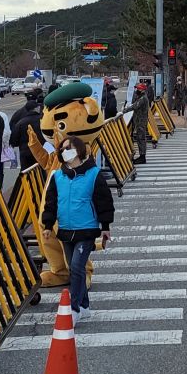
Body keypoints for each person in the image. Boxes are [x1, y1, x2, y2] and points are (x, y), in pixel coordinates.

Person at [40, 135, 114, 322]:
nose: (65, 152)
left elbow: (104, 201)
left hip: (86, 229)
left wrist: (105, 226)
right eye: (62, 149)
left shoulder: (93, 174)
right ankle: (85, 306)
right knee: (74, 269)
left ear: (79, 150)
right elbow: (51, 203)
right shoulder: (57, 176)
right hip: (65, 229)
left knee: (77, 266)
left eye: (69, 148)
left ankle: (74, 309)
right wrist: (48, 225)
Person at [10, 87, 45, 170]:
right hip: (41, 150)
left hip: (25, 151)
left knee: (26, 173)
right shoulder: (43, 119)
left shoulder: (20, 120)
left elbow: (13, 138)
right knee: (41, 172)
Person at [130, 79, 152, 164]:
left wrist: (124, 111)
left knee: (141, 139)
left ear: (143, 90)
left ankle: (142, 157)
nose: (137, 90)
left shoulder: (143, 98)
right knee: (139, 139)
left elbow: (134, 106)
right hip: (139, 121)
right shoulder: (140, 97)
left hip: (141, 122)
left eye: (138, 89)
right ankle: (141, 156)